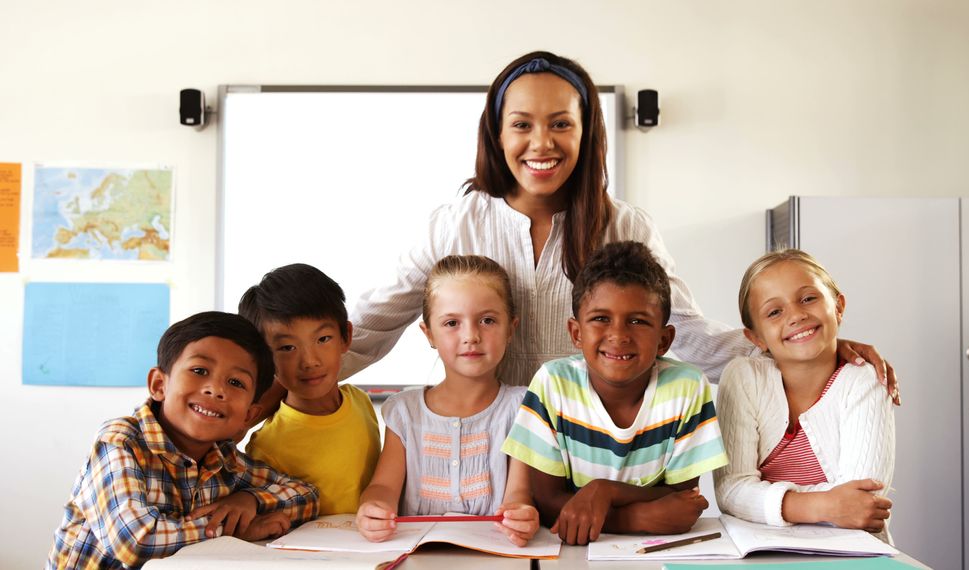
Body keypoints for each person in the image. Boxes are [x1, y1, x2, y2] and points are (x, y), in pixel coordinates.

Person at [331, 50, 900, 398]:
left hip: (596, 450)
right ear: (497, 134)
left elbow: (687, 332)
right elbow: (373, 323)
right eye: (522, 124)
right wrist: (283, 368)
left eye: (560, 124)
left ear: (586, 132)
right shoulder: (453, 225)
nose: (541, 143)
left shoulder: (624, 225)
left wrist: (800, 346)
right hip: (490, 447)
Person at [48, 312, 320, 569]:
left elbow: (307, 496)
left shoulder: (225, 461)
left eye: (236, 383)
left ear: (248, 415)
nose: (216, 389)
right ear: (159, 384)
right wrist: (233, 531)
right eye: (200, 370)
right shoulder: (121, 442)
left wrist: (250, 500)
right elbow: (135, 540)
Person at [502, 241, 728, 545]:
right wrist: (636, 518)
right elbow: (547, 501)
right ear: (576, 333)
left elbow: (682, 501)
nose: (619, 335)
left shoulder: (686, 388)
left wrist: (602, 491)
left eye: (638, 321)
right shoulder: (552, 385)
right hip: (567, 553)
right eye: (600, 319)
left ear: (664, 340)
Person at [355, 256, 540, 546]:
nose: (471, 336)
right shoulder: (405, 411)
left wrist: (521, 515)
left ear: (511, 328)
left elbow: (519, 494)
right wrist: (373, 509)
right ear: (429, 333)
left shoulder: (521, 408)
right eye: (452, 323)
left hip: (494, 559)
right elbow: (382, 487)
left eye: (488, 320)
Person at [713, 249, 895, 542]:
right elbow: (731, 491)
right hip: (760, 554)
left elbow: (862, 502)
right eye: (774, 312)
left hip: (851, 554)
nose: (796, 315)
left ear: (838, 307)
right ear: (756, 338)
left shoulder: (865, 380)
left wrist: (765, 500)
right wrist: (825, 504)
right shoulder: (743, 377)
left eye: (808, 298)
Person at [238, 263, 381, 515]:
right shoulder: (267, 448)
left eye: (323, 339)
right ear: (263, 358)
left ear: (346, 337)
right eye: (287, 348)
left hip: (379, 548)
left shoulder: (360, 402)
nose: (310, 361)